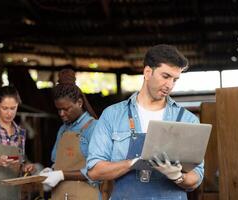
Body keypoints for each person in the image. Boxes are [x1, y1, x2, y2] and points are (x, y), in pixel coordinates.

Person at [86, 44, 204, 200]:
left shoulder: (187, 120)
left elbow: (197, 177)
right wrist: (133, 163)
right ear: (148, 72)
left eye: (175, 80)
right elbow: (94, 171)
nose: (170, 85)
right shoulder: (112, 116)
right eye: (166, 76)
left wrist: (178, 177)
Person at [40, 69, 100, 200]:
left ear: (79, 102)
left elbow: (97, 172)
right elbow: (58, 162)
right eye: (58, 109)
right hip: (60, 195)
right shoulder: (63, 129)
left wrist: (61, 175)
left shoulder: (94, 128)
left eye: (66, 109)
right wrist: (51, 171)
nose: (61, 114)